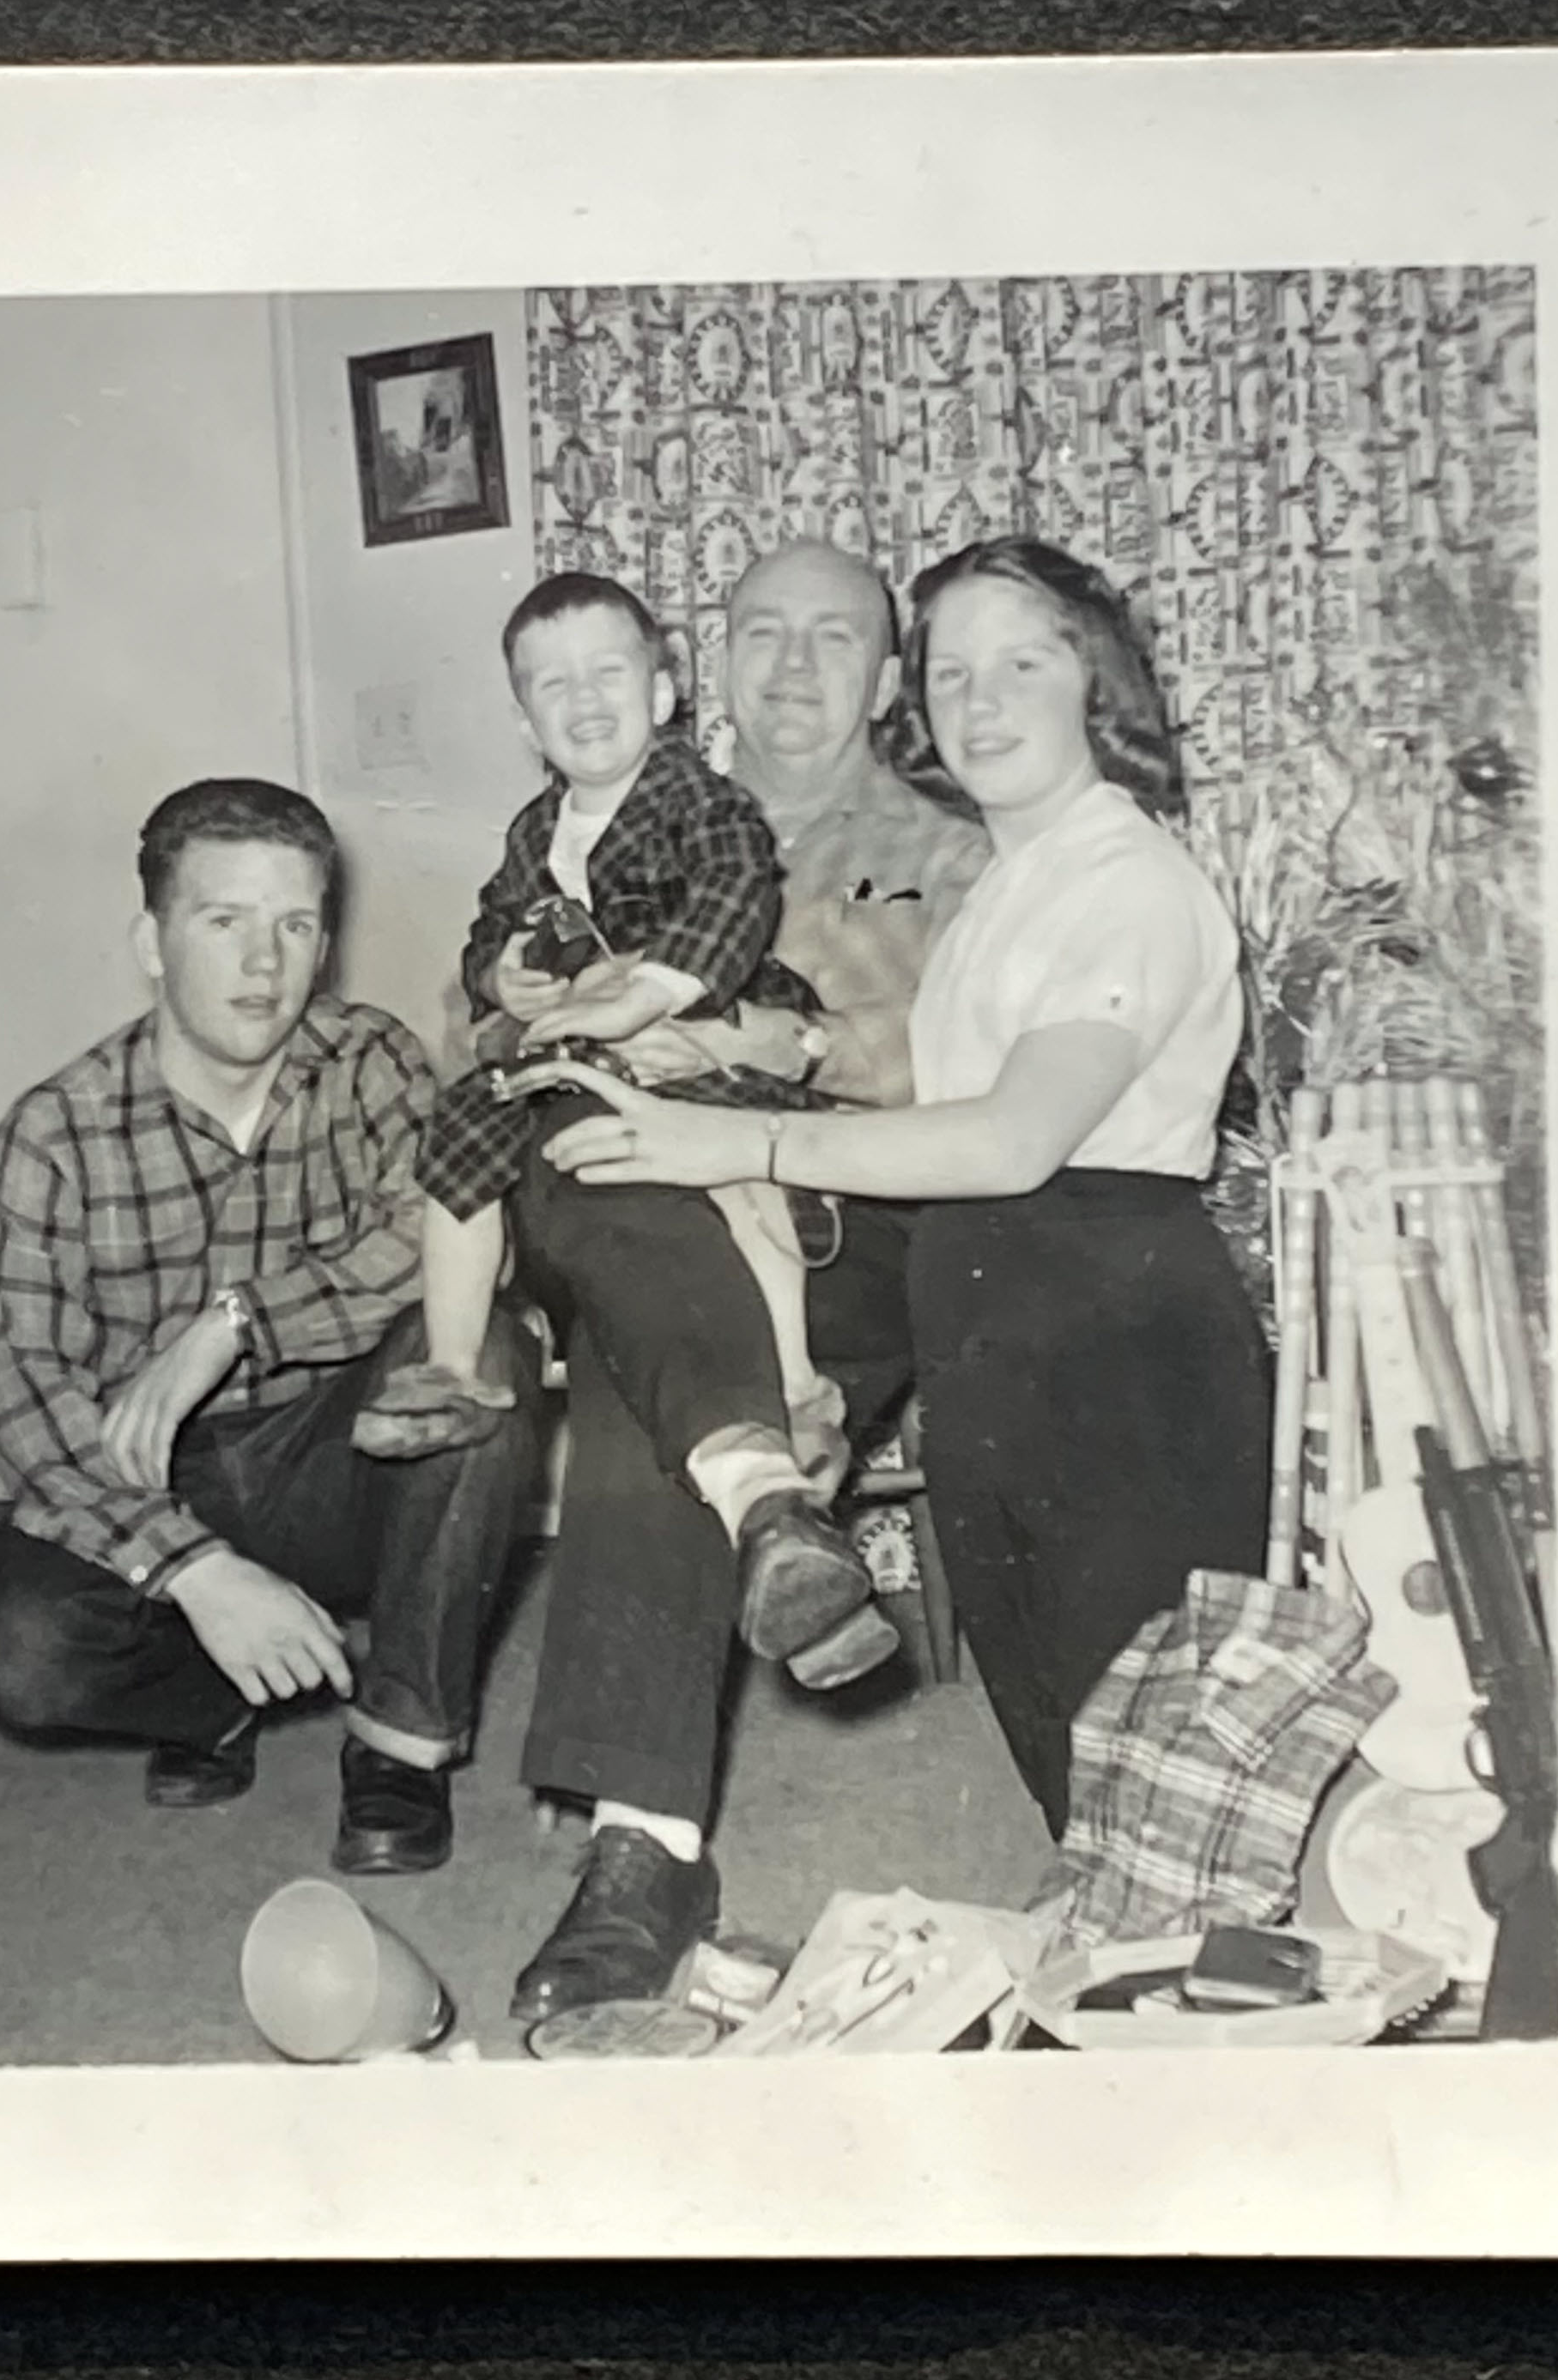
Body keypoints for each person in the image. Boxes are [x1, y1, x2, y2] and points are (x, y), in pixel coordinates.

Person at [523, 532, 1272, 1855]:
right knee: (1063, 1736)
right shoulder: (1014, 881)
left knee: (1153, 1744)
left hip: (1107, 1323)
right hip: (988, 1309)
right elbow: (899, 1067)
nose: (980, 702)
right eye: (956, 673)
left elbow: (1008, 1140)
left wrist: (737, 1143)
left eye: (1022, 666)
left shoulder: (1129, 882)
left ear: (1095, 683)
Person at [502, 540, 992, 2022]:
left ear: (886, 677)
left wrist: (761, 1056)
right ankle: (766, 1492)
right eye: (759, 633)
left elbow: (972, 1074)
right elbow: (493, 1009)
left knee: (649, 1366)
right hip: (632, 1197)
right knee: (628, 1225)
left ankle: (639, 1846)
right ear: (708, 662)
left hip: (845, 1212)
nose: (789, 666)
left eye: (830, 639)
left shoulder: (948, 851)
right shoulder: (620, 818)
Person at [0, 778, 541, 1877]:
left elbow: (428, 1229)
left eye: (296, 925)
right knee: (11, 1657)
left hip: (336, 1452)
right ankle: (213, 1698)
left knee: (479, 1354)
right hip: (159, 1478)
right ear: (152, 942)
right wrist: (199, 1571)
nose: (266, 965)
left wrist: (235, 1322)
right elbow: (31, 1411)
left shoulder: (373, 1060)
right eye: (225, 922)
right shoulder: (55, 1131)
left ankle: (400, 1743)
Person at [351, 569, 894, 1696]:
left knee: (739, 1188)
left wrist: (645, 995)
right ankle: (453, 1365)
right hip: (570, 1054)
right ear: (522, 718)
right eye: (552, 684)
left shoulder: (700, 803)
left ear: (663, 691)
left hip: (689, 1026)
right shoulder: (533, 826)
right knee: (457, 1144)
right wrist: (497, 970)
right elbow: (491, 932)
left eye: (609, 673)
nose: (584, 700)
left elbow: (732, 905)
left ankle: (793, 1389)